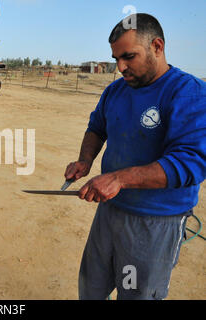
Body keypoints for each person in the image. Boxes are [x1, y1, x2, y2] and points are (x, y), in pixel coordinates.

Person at [64, 13, 206, 300]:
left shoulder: (188, 92)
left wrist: (119, 178)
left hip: (155, 222)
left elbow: (191, 162)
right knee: (92, 287)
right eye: (116, 58)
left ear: (157, 46)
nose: (120, 67)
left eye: (129, 56)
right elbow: (97, 127)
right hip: (110, 210)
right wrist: (85, 160)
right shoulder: (116, 90)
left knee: (136, 294)